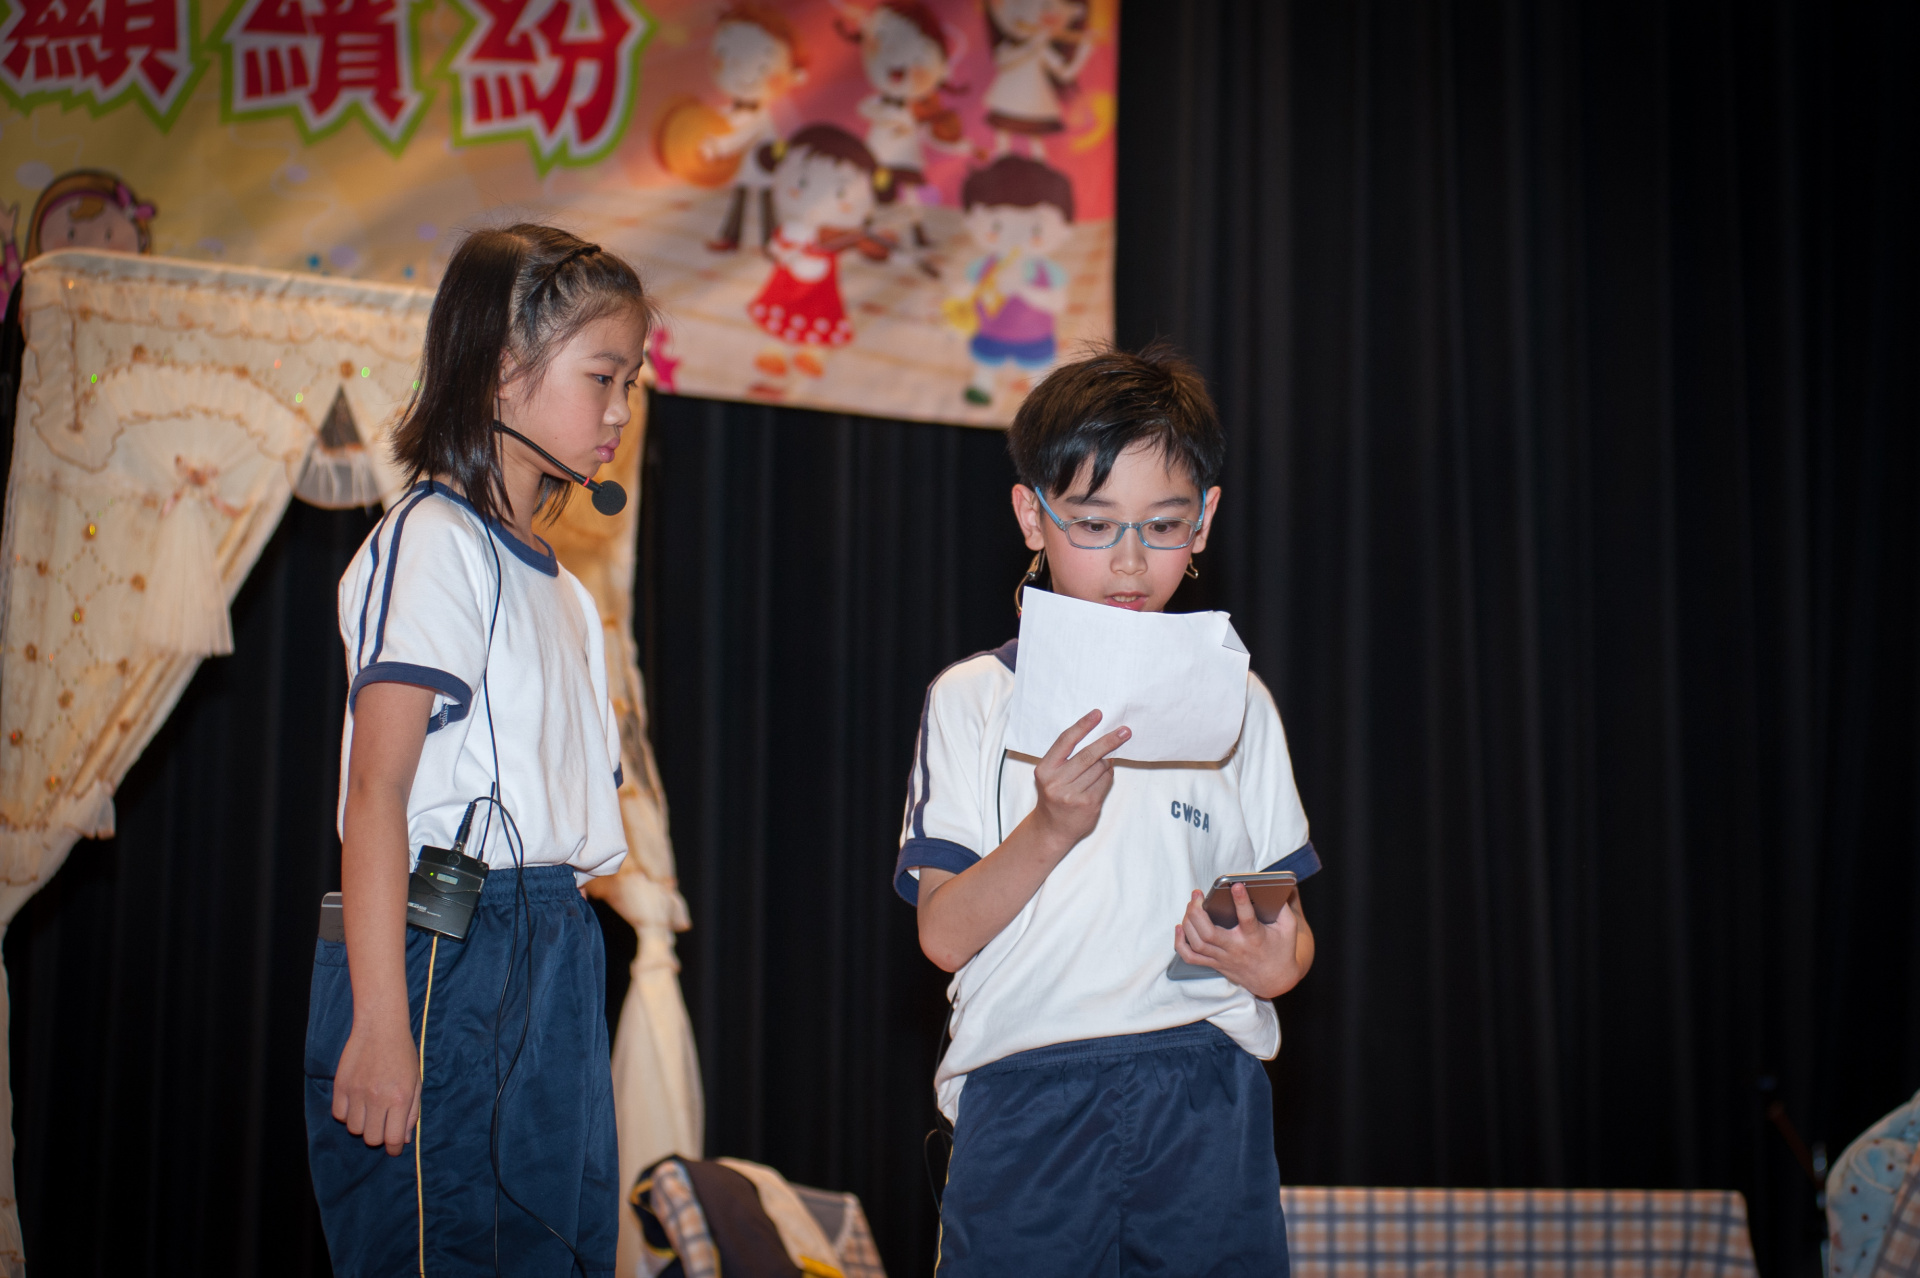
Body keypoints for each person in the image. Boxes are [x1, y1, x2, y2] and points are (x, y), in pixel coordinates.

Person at [896, 344, 1317, 1275]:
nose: (1129, 561)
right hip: (1027, 1090)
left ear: (1205, 521)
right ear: (1032, 516)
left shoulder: (1241, 703)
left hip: (1206, 1087)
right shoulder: (975, 699)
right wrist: (1049, 830)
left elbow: (1290, 940)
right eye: (1093, 523)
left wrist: (1271, 962)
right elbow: (943, 936)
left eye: (1162, 525)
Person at [306, 224, 649, 1276]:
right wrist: (381, 1021)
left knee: (558, 1250)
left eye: (631, 383)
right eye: (602, 377)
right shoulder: (432, 540)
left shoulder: (569, 595)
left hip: (556, 946)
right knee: (441, 1246)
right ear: (503, 368)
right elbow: (377, 793)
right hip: (442, 950)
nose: (620, 411)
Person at [949, 154, 1074, 407]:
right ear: (970, 222)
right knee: (986, 360)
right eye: (997, 226)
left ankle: (1041, 396)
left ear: (1064, 229)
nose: (1015, 236)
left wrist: (1023, 290)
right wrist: (961, 294)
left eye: (1035, 229)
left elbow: (1058, 302)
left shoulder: (1047, 270)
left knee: (1038, 369)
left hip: (1035, 336)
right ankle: (982, 384)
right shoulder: (984, 266)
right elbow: (967, 289)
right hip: (990, 331)